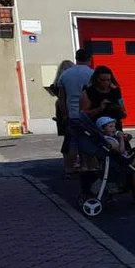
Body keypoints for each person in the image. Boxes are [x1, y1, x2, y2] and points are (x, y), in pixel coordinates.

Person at [57, 48, 95, 177]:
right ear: (89, 59)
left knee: (71, 141)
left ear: (76, 58)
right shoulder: (92, 74)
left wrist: (64, 115)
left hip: (71, 113)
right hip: (88, 114)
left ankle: (69, 168)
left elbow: (62, 97)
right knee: (90, 141)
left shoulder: (65, 74)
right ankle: (88, 167)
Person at [96, 116, 135, 181]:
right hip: (121, 163)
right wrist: (121, 139)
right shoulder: (108, 140)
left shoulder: (112, 137)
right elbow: (121, 151)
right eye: (110, 127)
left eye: (114, 126)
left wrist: (125, 137)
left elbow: (126, 141)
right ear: (103, 129)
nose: (114, 129)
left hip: (124, 158)